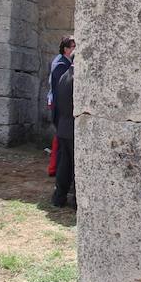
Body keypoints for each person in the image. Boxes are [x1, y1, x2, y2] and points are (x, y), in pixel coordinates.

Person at [47, 37, 75, 177]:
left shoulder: (64, 63)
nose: (74, 49)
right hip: (61, 109)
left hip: (63, 111)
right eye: (72, 46)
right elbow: (59, 91)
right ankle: (53, 169)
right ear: (66, 49)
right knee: (59, 142)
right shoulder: (60, 65)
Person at [51, 62, 77, 208]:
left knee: (64, 165)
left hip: (63, 126)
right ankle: (75, 201)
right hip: (73, 127)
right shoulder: (76, 78)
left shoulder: (63, 77)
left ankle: (59, 197)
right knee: (75, 166)